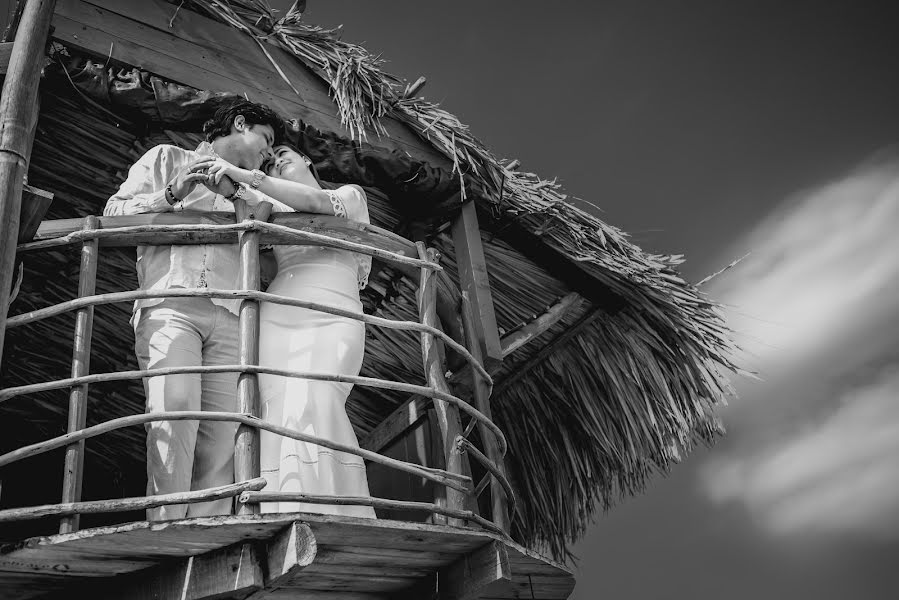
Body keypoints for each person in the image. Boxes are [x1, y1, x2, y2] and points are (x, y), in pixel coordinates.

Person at [103, 98, 284, 520]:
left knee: (223, 437)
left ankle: (208, 536)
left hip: (231, 315)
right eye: (266, 138)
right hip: (171, 303)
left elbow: (270, 252)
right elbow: (112, 215)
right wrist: (171, 194)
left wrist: (240, 194)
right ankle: (165, 528)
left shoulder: (256, 191)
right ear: (239, 124)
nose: (269, 152)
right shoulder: (166, 158)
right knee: (174, 412)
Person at [206, 144, 376, 518]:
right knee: (277, 408)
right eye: (269, 161)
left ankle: (331, 510)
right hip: (278, 313)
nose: (276, 161)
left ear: (308, 159)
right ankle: (278, 509)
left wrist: (254, 176)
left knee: (314, 397)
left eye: (284, 154)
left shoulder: (348, 195)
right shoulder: (274, 206)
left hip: (333, 311)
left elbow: (315, 202)